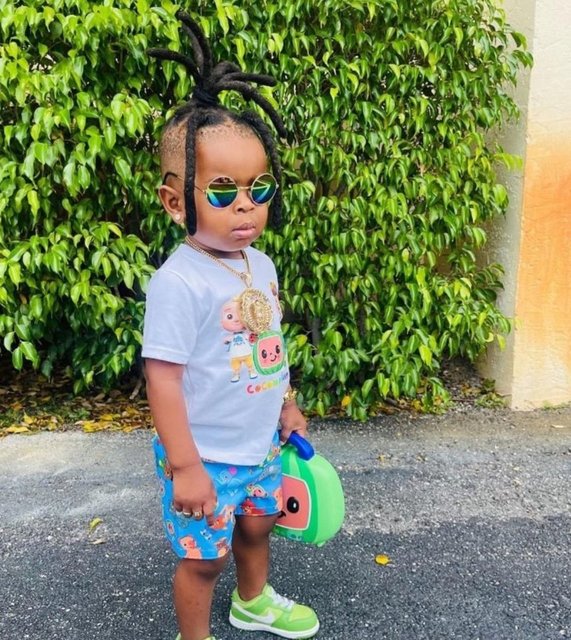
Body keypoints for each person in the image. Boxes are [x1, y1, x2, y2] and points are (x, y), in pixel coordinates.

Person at [142, 11, 319, 640]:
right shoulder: (179, 282)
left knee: (257, 527)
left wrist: (286, 406)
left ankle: (253, 602)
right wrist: (186, 466)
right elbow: (162, 380)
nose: (246, 206)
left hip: (258, 444)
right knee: (204, 559)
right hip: (206, 454)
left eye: (258, 188)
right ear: (175, 200)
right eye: (222, 192)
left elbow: (270, 344)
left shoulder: (259, 264)